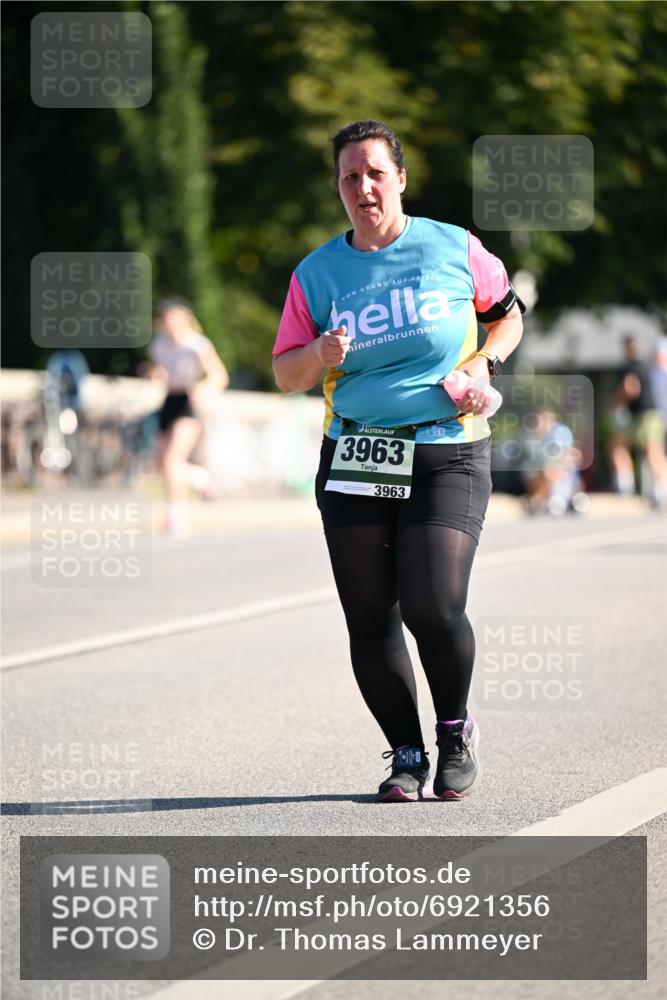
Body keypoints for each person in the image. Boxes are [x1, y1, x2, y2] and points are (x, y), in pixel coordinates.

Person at [272, 120, 524, 802]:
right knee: (369, 614)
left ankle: (452, 731)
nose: (363, 188)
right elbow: (286, 374)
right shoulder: (318, 272)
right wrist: (317, 356)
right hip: (355, 451)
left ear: (400, 178)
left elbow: (508, 314)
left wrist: (481, 361)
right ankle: (406, 753)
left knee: (433, 605)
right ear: (338, 187)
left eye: (375, 173)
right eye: (349, 176)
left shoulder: (451, 247)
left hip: (446, 445)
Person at [148, 297, 229, 537]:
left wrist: (204, 389)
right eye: (165, 318)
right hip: (169, 400)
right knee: (162, 463)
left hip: (187, 401)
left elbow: (219, 375)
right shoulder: (159, 345)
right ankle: (200, 479)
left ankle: (176, 517)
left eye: (173, 316)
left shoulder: (197, 345)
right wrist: (155, 374)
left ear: (184, 318)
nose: (169, 322)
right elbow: (161, 370)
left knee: (172, 459)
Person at [606, 334, 667, 507]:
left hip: (646, 415)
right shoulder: (647, 366)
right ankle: (628, 484)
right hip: (645, 415)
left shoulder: (631, 367)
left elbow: (631, 389)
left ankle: (657, 490)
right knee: (622, 446)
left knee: (652, 452)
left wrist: (614, 403)